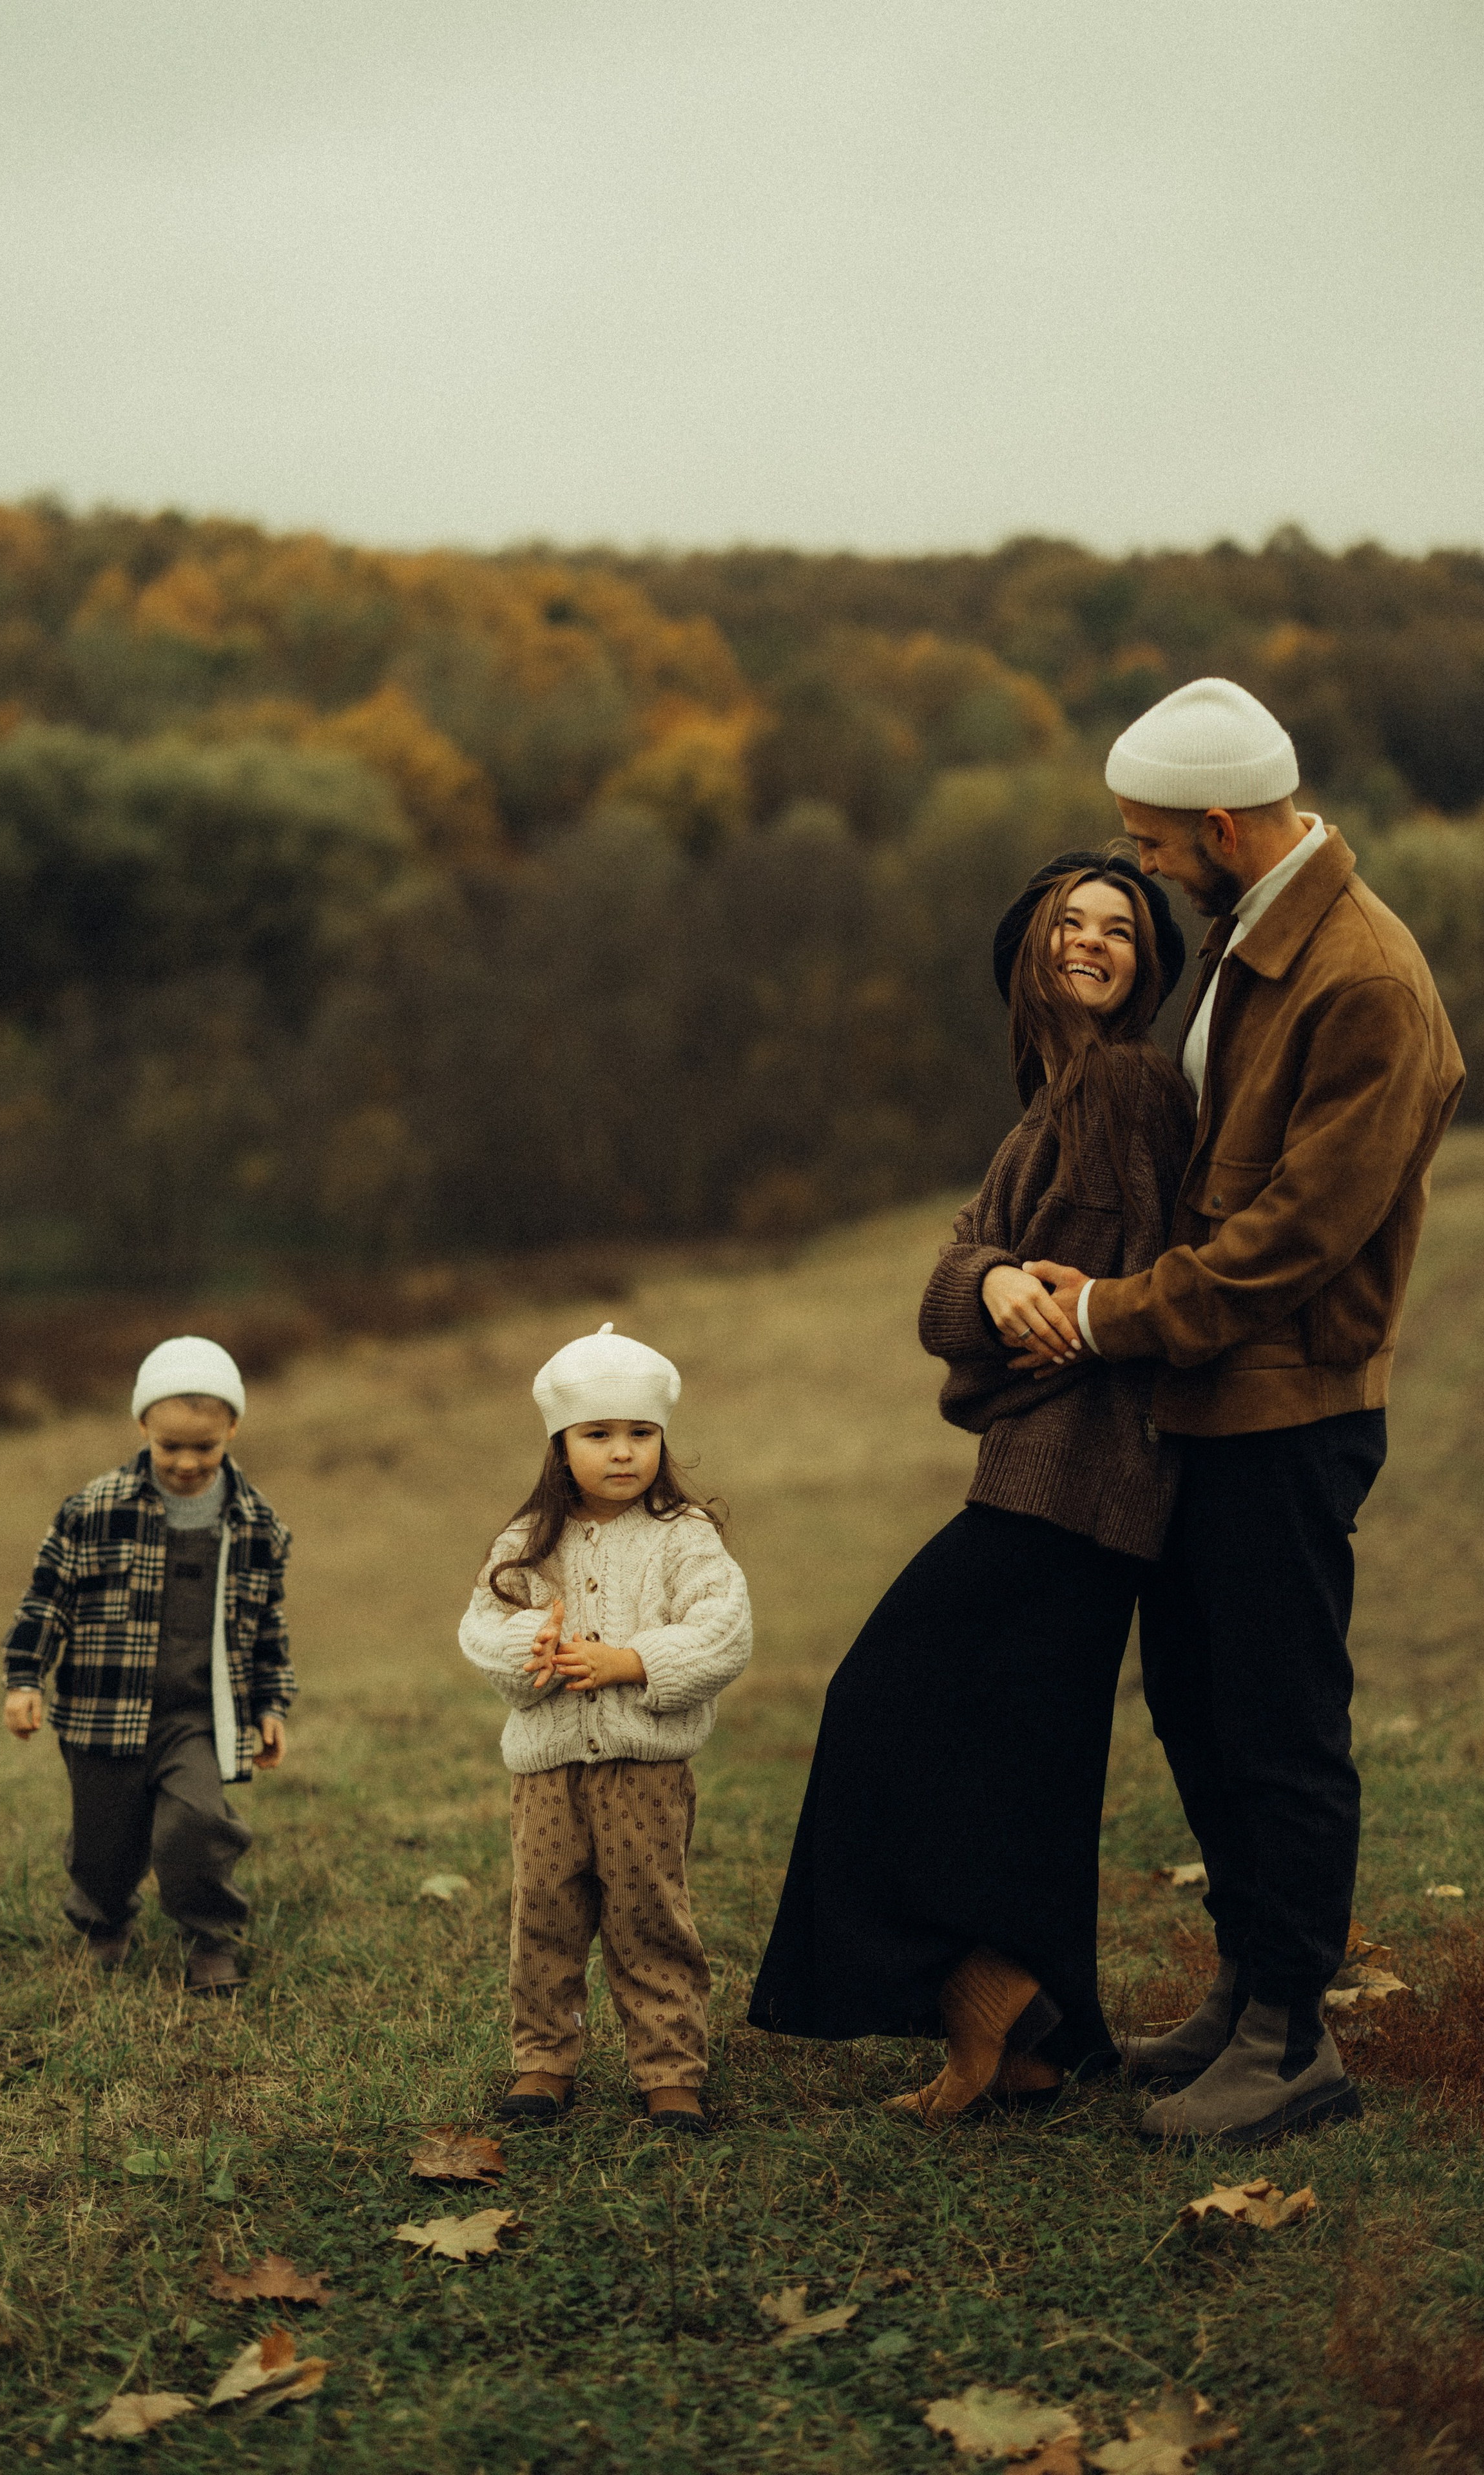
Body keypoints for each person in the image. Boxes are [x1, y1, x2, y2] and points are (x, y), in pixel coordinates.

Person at [1017, 677, 1465, 2143]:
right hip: (1208, 1402)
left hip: (1288, 1409)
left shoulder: (1362, 979)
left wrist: (1107, 1313)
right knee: (1197, 1703)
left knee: (1277, 1723)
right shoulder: (1250, 934)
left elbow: (1291, 1239)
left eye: (1149, 843)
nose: (1136, 867)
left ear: (1218, 828)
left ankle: (1292, 2042)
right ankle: (1242, 1990)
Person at [747, 853, 1193, 2119]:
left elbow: (1109, 1299)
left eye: (1120, 930)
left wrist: (1024, 1304)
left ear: (1144, 970)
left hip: (1080, 1479)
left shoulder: (1122, 1090)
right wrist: (989, 1279)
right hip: (1057, 1477)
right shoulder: (1051, 1104)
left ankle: (986, 1998)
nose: (1093, 941)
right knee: (1020, 1761)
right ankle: (1034, 2039)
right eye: (1071, 923)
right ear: (1028, 953)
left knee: (880, 1703)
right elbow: (951, 1290)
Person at [460, 1323, 751, 2134]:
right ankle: (544, 2060)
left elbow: (724, 1632)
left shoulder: (683, 1537)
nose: (622, 1452)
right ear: (560, 1445)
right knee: (545, 1915)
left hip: (644, 1773)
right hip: (547, 1774)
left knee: (647, 1916)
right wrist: (530, 1646)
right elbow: (482, 1629)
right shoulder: (527, 1541)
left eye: (640, 1434)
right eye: (597, 1434)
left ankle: (669, 2072)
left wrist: (632, 1662)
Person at [1, 1336, 294, 1996]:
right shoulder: (92, 1510)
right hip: (101, 1712)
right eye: (170, 1446)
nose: (187, 1462)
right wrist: (25, 1679)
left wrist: (271, 1706)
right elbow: (46, 1600)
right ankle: (104, 1919)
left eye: (205, 1447)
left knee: (200, 1826)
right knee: (104, 1843)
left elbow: (267, 1627)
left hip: (195, 1717)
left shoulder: (256, 1524)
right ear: (142, 1428)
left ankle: (210, 1937)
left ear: (232, 1430)